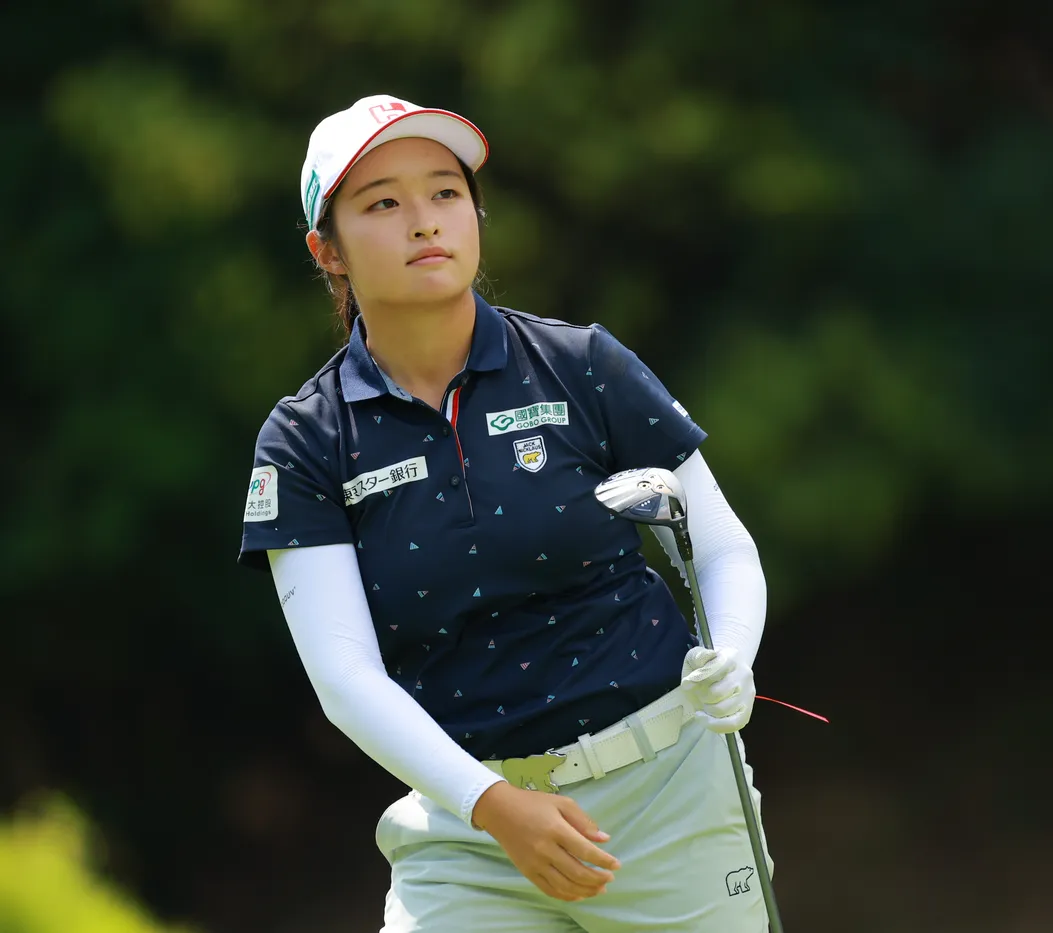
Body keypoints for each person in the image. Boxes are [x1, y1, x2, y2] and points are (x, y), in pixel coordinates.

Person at [237, 94, 775, 931]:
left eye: (445, 192)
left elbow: (724, 548)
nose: (425, 220)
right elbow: (345, 677)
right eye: (383, 203)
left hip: (671, 796)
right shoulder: (306, 440)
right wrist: (492, 805)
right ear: (327, 249)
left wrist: (734, 652)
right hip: (466, 829)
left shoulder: (581, 364)